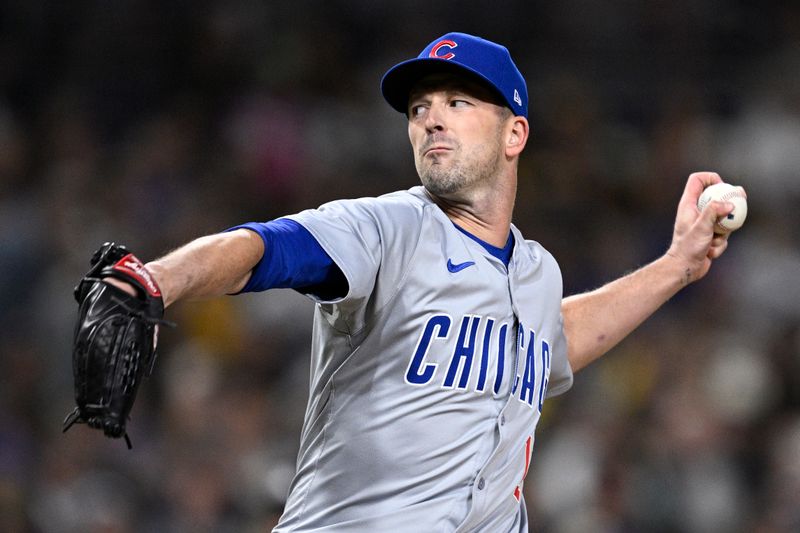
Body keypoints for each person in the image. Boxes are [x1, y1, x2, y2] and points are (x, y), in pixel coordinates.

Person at [103, 32, 739, 532]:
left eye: (457, 103)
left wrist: (677, 266)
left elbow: (557, 337)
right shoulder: (388, 228)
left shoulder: (537, 272)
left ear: (514, 132)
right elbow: (264, 248)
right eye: (419, 108)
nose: (432, 118)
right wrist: (159, 276)